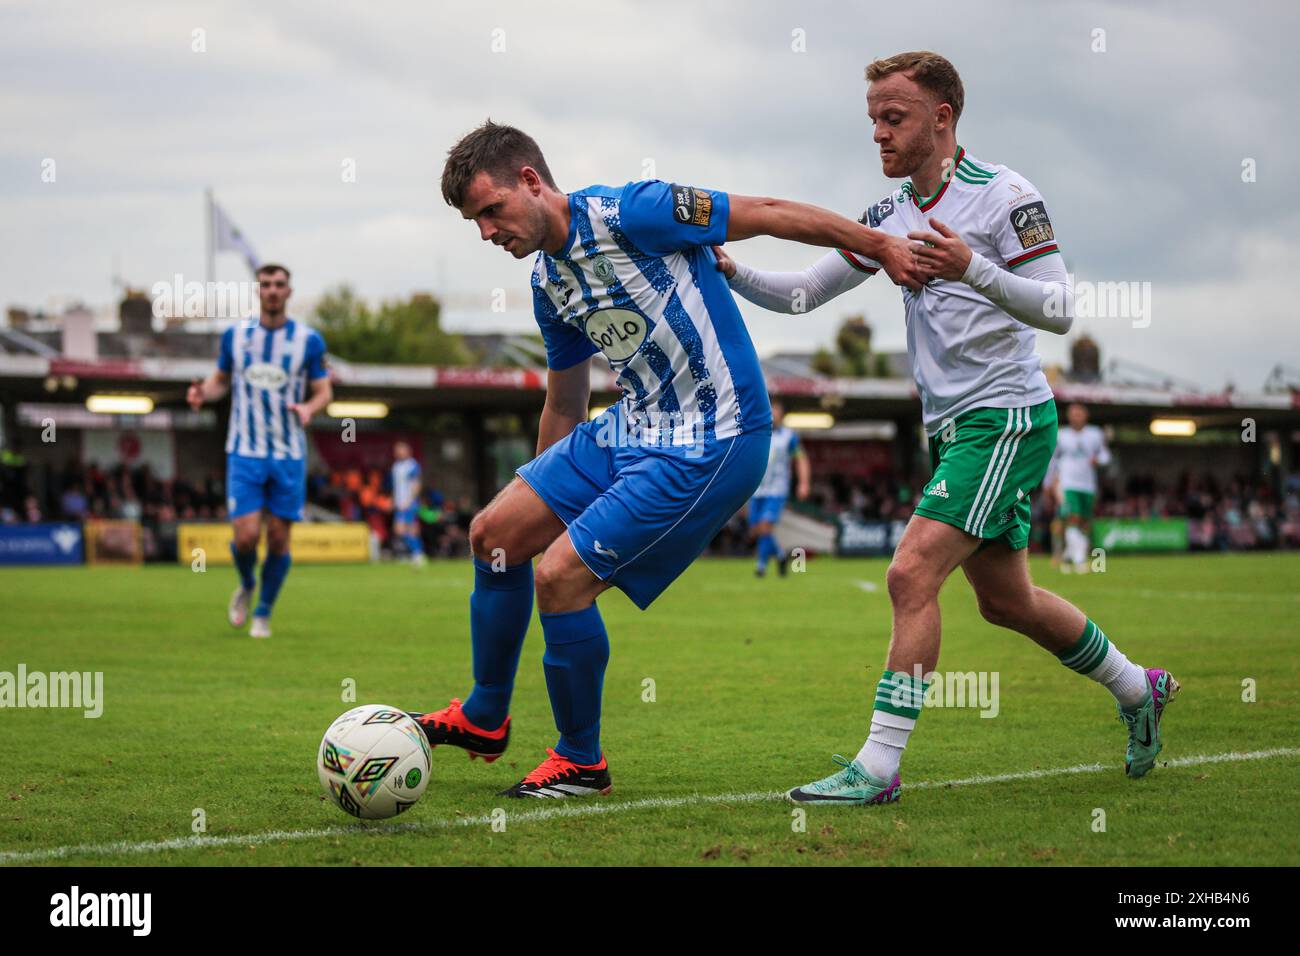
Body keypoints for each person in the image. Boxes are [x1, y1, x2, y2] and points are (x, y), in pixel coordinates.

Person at [407, 119, 925, 799]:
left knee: (560, 578)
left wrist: (880, 243)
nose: (485, 232)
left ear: (531, 182)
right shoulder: (549, 285)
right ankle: (484, 716)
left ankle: (580, 761)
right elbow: (565, 403)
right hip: (632, 425)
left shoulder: (635, 211)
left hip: (716, 434)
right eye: (474, 221)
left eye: (491, 211)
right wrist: (543, 496)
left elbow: (767, 212)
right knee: (494, 536)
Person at [715, 51, 1178, 803]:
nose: (879, 134)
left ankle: (877, 767)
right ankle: (1137, 688)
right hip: (953, 432)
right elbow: (803, 295)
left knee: (909, 573)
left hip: (1006, 419)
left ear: (943, 118)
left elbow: (1060, 311)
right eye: (872, 120)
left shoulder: (1004, 195)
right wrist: (731, 272)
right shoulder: (886, 215)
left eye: (892, 118)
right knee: (1006, 602)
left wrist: (972, 269)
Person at [187, 263, 332, 639]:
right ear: (257, 290)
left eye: (279, 284)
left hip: (288, 454)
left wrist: (308, 409)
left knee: (280, 538)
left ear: (289, 292)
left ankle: (264, 612)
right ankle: (247, 583)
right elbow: (220, 381)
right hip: (244, 450)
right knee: (247, 536)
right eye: (265, 284)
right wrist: (203, 392)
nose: (271, 290)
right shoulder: (235, 336)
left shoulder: (308, 340)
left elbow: (323, 391)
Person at [749, 399, 811, 577]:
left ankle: (761, 567)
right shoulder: (759, 434)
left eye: (775, 410)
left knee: (765, 526)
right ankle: (780, 555)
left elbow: (801, 458)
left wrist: (804, 483)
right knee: (756, 530)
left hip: (777, 489)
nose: (772, 414)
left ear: (782, 414)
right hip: (756, 489)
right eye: (770, 410)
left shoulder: (789, 437)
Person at [1050, 403, 1112, 573]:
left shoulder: (1095, 434)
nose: (1076, 417)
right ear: (1069, 416)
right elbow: (1053, 460)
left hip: (1088, 484)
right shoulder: (1061, 435)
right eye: (1073, 414)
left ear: (1085, 415)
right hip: (1068, 483)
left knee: (1084, 522)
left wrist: (1098, 461)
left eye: (1079, 413)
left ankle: (1070, 555)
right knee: (1073, 518)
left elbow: (1105, 455)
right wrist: (1051, 482)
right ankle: (1079, 560)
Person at [390, 441, 426, 567]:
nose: (398, 452)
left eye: (401, 449)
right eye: (397, 450)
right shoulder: (396, 466)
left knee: (402, 529)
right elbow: (397, 487)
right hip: (400, 503)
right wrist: (394, 500)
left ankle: (418, 554)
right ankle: (416, 553)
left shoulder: (412, 465)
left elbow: (416, 484)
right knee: (406, 530)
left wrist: (409, 500)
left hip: (408, 503)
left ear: (408, 451)